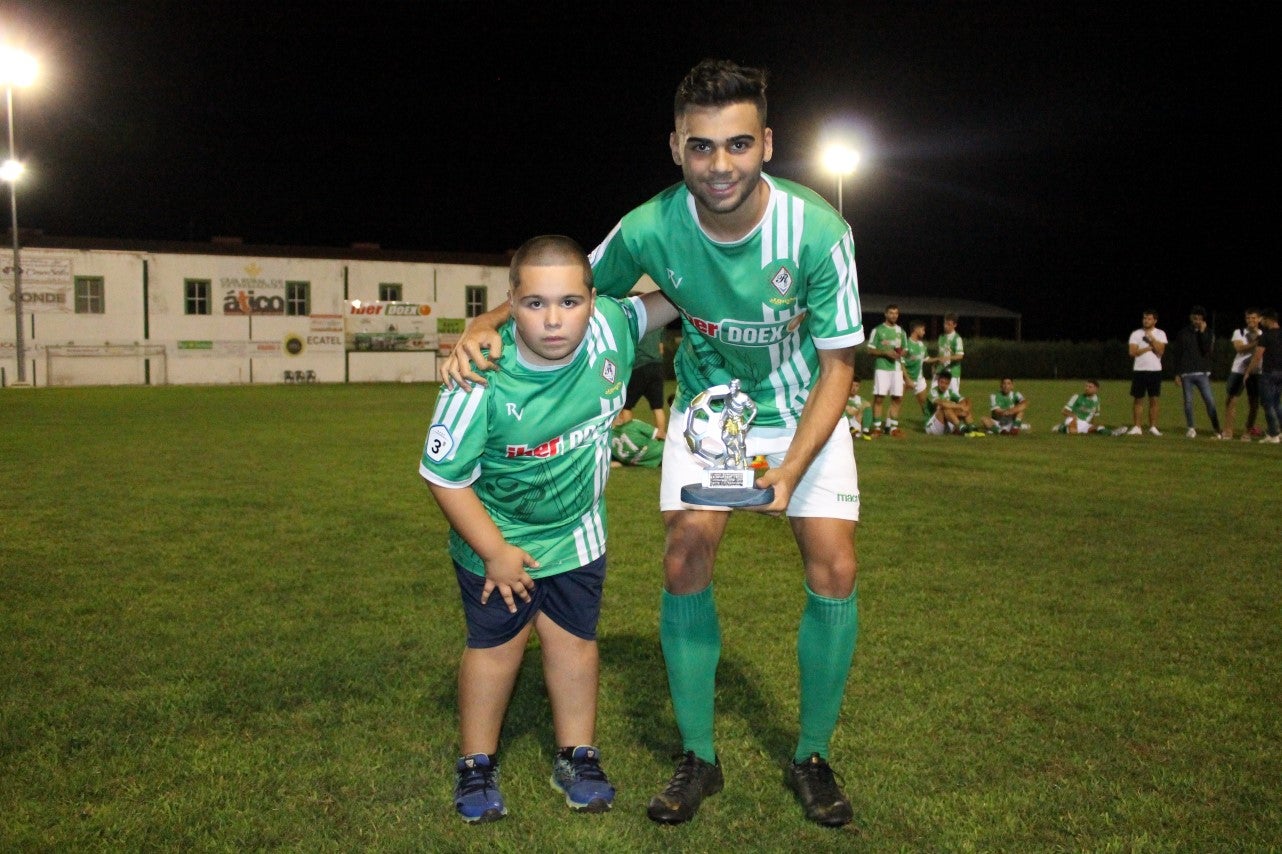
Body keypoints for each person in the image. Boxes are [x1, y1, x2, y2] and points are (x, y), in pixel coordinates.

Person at [443, 59, 863, 828]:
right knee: (683, 554)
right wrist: (487, 321)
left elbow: (840, 364)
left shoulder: (819, 231)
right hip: (711, 410)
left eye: (738, 144)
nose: (720, 164)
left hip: (804, 407)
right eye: (701, 146)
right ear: (676, 147)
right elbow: (570, 283)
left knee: (835, 563)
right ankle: (698, 757)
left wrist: (793, 468)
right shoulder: (649, 227)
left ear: (767, 144)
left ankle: (812, 757)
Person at [420, 235, 676, 823]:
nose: (554, 319)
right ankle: (476, 763)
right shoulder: (480, 374)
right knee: (495, 650)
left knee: (574, 643)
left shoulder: (613, 327)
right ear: (511, 304)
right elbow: (443, 477)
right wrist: (495, 551)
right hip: (496, 540)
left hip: (579, 535)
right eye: (535, 304)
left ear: (594, 300)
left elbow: (682, 291)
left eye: (570, 301)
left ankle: (577, 756)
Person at [1171, 306, 1224, 439]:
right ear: (1191, 318)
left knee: (1210, 401)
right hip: (1186, 373)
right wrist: (1177, 373)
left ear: (1203, 320)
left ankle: (1217, 430)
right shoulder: (1183, 333)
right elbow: (1177, 354)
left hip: (1202, 373)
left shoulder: (1208, 332)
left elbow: (1206, 349)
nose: (1197, 321)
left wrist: (1202, 332)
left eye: (1200, 319)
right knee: (1188, 402)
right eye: (1195, 318)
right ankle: (1191, 428)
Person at [618, 317, 670, 437]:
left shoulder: (634, 323)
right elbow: (661, 349)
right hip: (657, 366)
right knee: (658, 407)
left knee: (626, 406)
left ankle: (630, 438)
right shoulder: (659, 324)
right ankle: (661, 438)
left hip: (639, 367)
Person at [866, 305, 907, 436]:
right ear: (886, 314)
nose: (894, 315)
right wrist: (885, 353)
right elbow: (870, 350)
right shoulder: (878, 330)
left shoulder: (901, 332)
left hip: (897, 369)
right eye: (891, 313)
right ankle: (877, 427)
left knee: (897, 398)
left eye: (896, 313)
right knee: (879, 398)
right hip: (882, 368)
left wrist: (901, 353)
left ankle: (893, 428)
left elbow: (905, 349)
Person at [1243, 308, 1282, 444]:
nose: (1261, 322)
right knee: (1276, 403)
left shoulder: (1266, 335)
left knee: (1267, 404)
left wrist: (1248, 371)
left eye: (1262, 319)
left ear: (1268, 320)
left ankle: (1273, 434)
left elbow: (1258, 356)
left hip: (1268, 373)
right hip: (1280, 373)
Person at [1223, 308, 1262, 440]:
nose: (1250, 320)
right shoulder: (1239, 332)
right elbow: (1239, 348)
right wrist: (1257, 342)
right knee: (1231, 400)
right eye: (1248, 318)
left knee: (1254, 402)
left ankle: (1247, 432)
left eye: (1253, 318)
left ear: (1259, 319)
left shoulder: (1263, 334)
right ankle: (1228, 431)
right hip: (1239, 370)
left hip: (1255, 371)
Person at [1126, 309, 1167, 435]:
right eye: (1144, 318)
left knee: (1154, 399)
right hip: (1139, 370)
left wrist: (1152, 339)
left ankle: (1153, 427)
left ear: (1155, 320)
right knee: (1138, 399)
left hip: (1155, 370)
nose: (1146, 321)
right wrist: (1148, 348)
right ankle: (1137, 427)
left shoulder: (1160, 333)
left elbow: (1160, 351)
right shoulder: (1136, 334)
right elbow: (1132, 352)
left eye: (1149, 319)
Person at [923, 371, 985, 436]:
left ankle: (973, 429)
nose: (943, 385)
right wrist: (960, 406)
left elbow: (966, 399)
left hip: (944, 425)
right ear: (938, 382)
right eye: (942, 382)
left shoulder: (950, 392)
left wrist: (967, 408)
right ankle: (962, 428)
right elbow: (942, 404)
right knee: (945, 408)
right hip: (931, 426)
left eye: (946, 383)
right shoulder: (933, 392)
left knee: (962, 410)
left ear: (949, 384)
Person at [1054, 379, 1125, 434]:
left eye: (1090, 387)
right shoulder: (1077, 397)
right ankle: (1063, 427)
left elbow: (1094, 415)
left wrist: (1093, 425)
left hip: (1085, 423)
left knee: (1099, 428)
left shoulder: (1097, 400)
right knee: (1073, 431)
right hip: (1073, 420)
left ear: (1096, 389)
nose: (1087, 388)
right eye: (1086, 386)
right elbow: (1064, 411)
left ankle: (1113, 433)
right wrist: (1073, 416)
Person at [902, 319, 930, 417]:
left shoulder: (922, 345)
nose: (924, 332)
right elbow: (900, 363)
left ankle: (930, 423)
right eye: (923, 329)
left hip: (919, 379)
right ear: (916, 329)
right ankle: (890, 423)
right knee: (896, 402)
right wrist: (907, 379)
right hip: (904, 379)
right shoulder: (905, 344)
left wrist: (939, 359)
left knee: (925, 404)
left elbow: (927, 359)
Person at [934, 313, 965, 394]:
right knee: (934, 396)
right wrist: (934, 365)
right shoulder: (941, 337)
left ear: (955, 325)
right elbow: (939, 354)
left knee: (953, 397)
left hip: (952, 373)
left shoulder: (957, 338)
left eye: (949, 324)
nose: (946, 326)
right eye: (945, 323)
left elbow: (960, 355)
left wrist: (947, 358)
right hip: (940, 371)